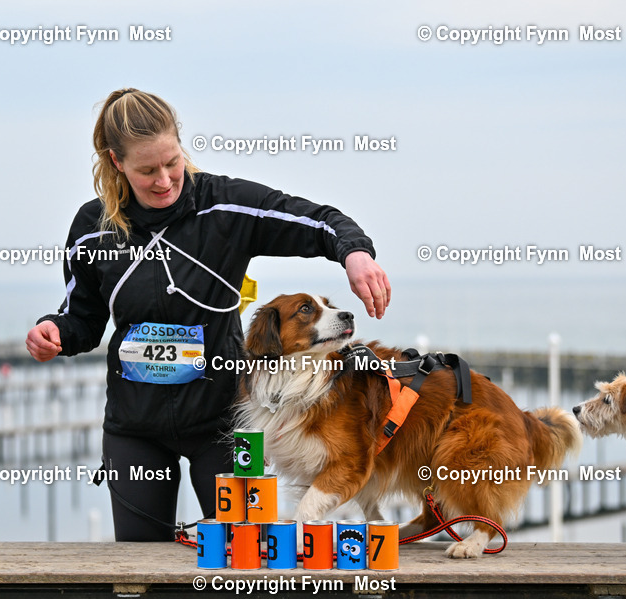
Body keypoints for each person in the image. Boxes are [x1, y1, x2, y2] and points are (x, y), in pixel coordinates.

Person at [26, 88, 391, 541]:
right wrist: (55, 332)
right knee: (139, 570)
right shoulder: (91, 228)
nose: (164, 180)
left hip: (225, 420)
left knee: (248, 558)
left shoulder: (224, 207)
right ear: (116, 163)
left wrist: (354, 253)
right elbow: (80, 318)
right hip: (135, 429)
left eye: (172, 162)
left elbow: (320, 220)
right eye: (147, 170)